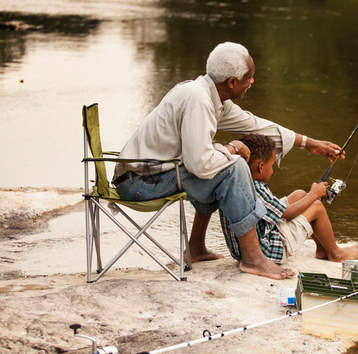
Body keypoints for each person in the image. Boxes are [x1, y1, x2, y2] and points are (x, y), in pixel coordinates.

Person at [112, 42, 344, 279]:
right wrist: (231, 149)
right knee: (232, 168)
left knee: (220, 163)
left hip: (151, 176)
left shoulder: (211, 99)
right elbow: (199, 164)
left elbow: (255, 125)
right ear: (232, 82)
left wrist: (309, 143)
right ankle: (253, 258)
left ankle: (195, 248)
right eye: (249, 77)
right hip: (139, 184)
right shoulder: (198, 100)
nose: (252, 82)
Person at [221, 133, 358, 264]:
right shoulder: (256, 188)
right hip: (268, 252)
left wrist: (309, 196)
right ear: (261, 167)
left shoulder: (237, 182)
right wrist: (314, 194)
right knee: (316, 207)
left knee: (299, 194)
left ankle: (322, 249)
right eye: (272, 166)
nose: (273, 170)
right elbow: (289, 213)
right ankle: (335, 253)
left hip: (243, 249)